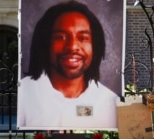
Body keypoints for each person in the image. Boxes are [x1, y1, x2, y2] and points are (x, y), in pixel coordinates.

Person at [18, 0, 118, 129]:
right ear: (46, 43)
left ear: (95, 46)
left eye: (83, 38)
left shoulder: (109, 101)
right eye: (61, 37)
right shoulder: (24, 93)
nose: (72, 47)